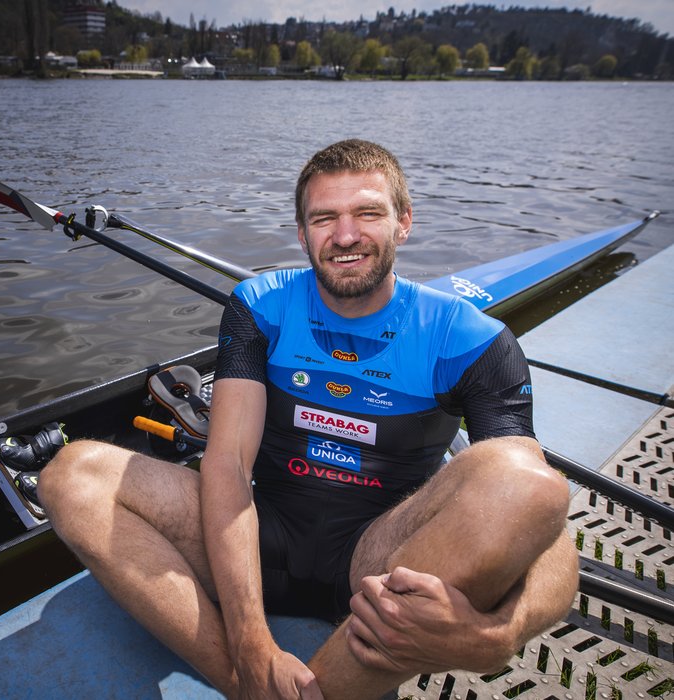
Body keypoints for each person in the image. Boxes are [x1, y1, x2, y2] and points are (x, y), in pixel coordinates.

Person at [38, 139, 579, 699]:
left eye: (368, 213)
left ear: (404, 223)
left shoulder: (471, 341)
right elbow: (225, 464)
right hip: (261, 535)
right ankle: (242, 680)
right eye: (325, 218)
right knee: (72, 475)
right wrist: (251, 641)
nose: (345, 236)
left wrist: (501, 636)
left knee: (526, 483)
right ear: (303, 234)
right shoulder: (260, 306)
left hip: (378, 561)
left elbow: (542, 527)